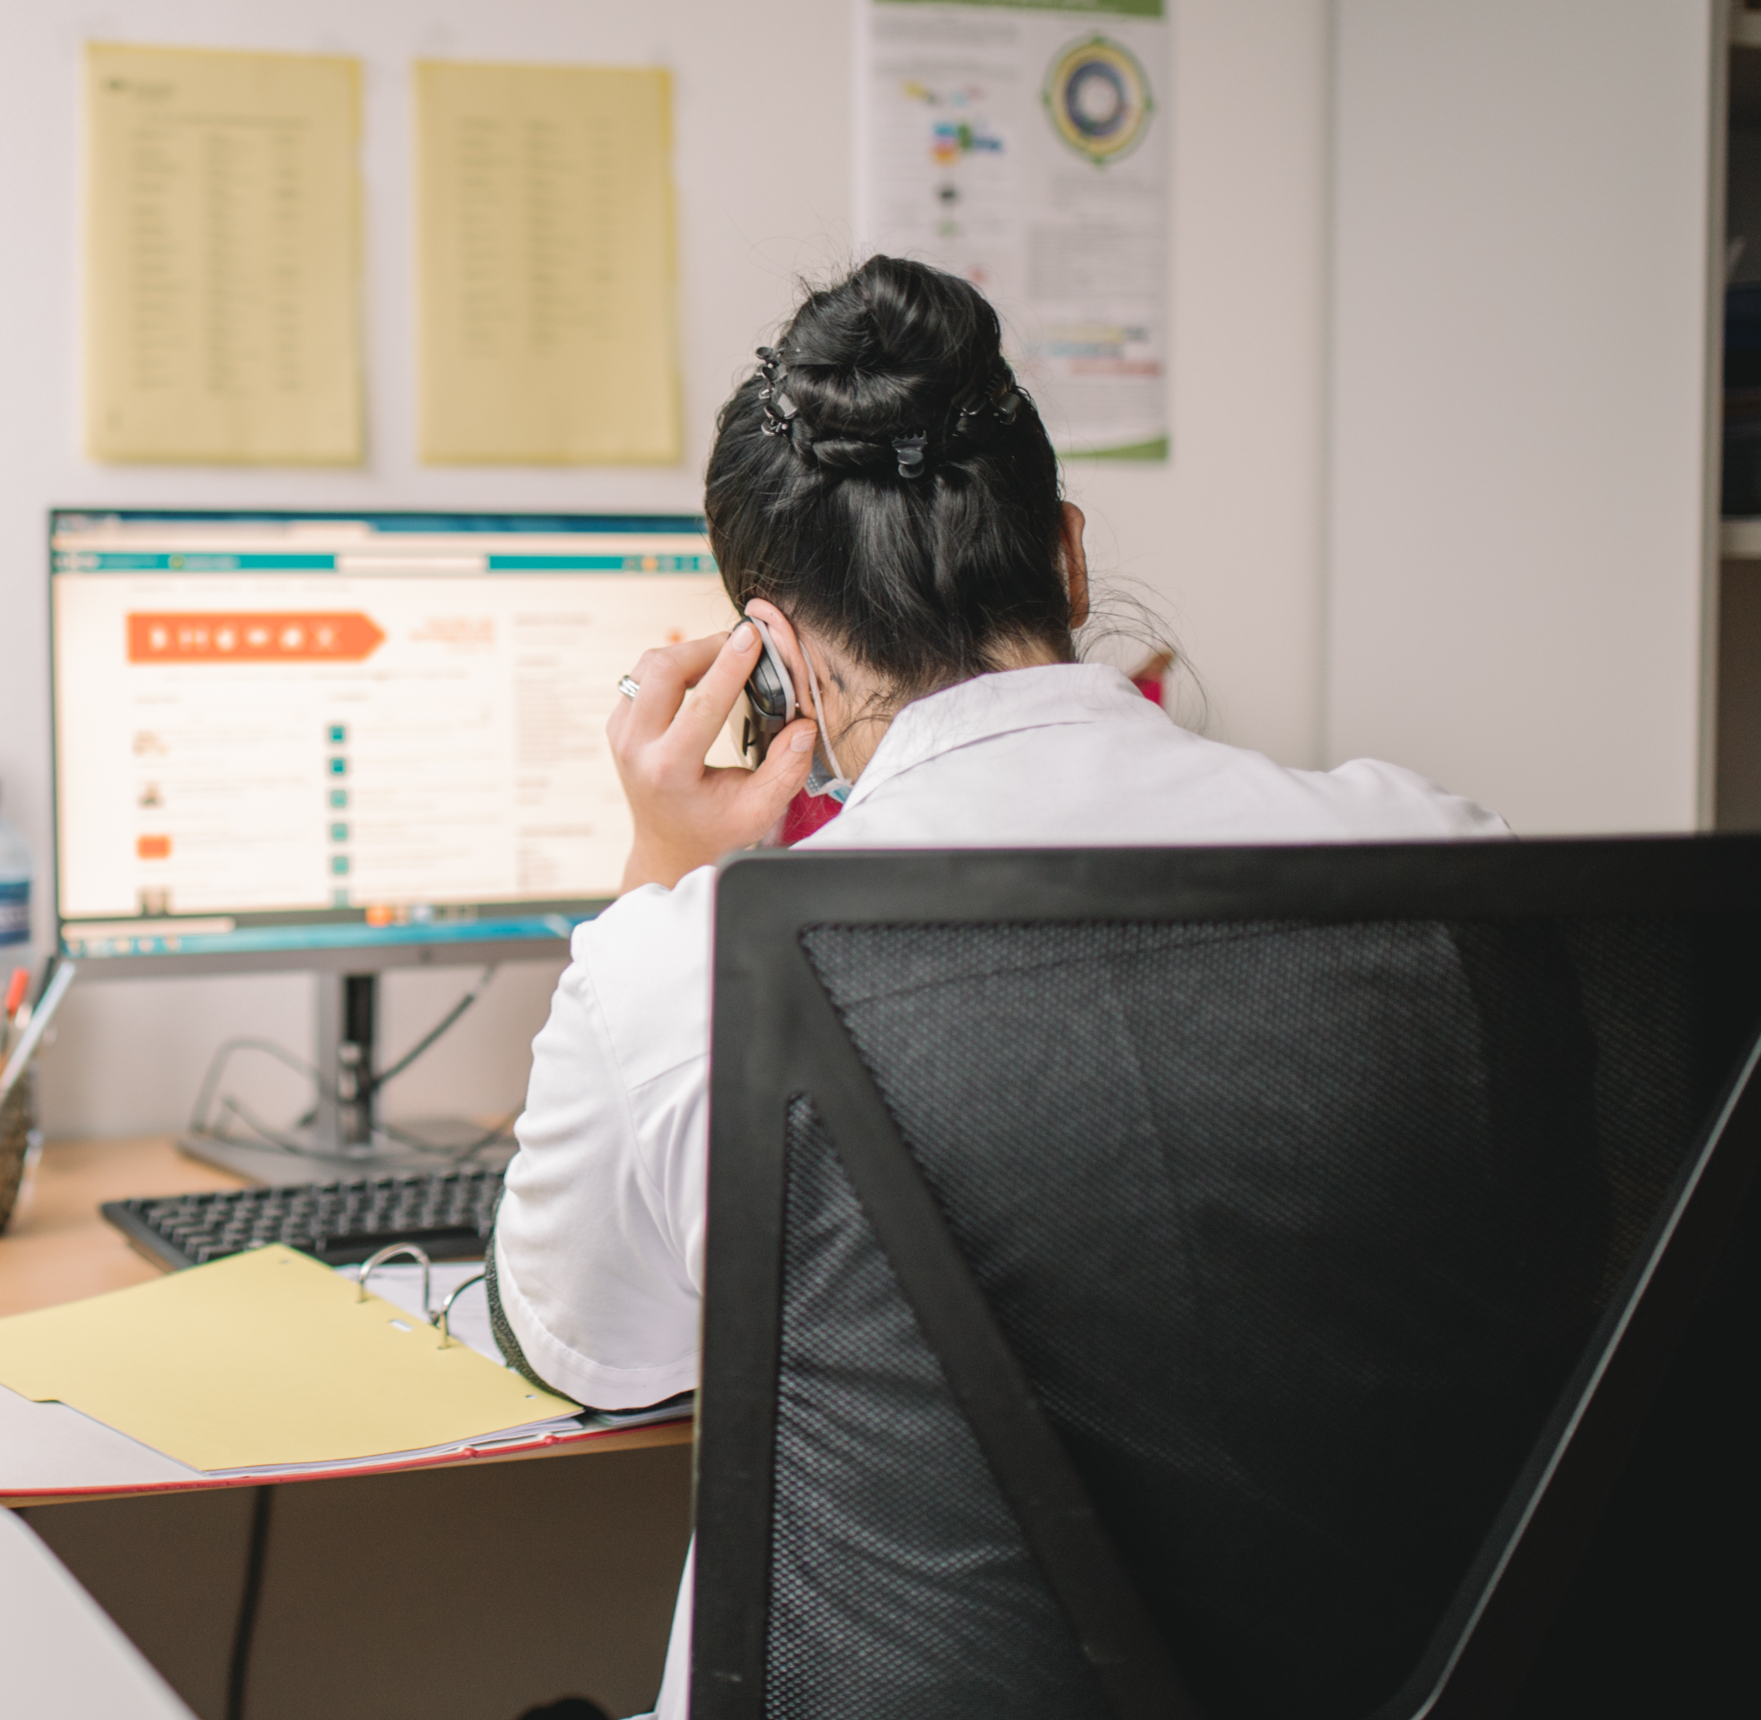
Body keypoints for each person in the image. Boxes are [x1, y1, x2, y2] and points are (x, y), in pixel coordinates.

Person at [483, 254, 1504, 1718]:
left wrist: (660, 865)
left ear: (774, 654)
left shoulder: (685, 963)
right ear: (1070, 557)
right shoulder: (1437, 856)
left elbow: (595, 1352)